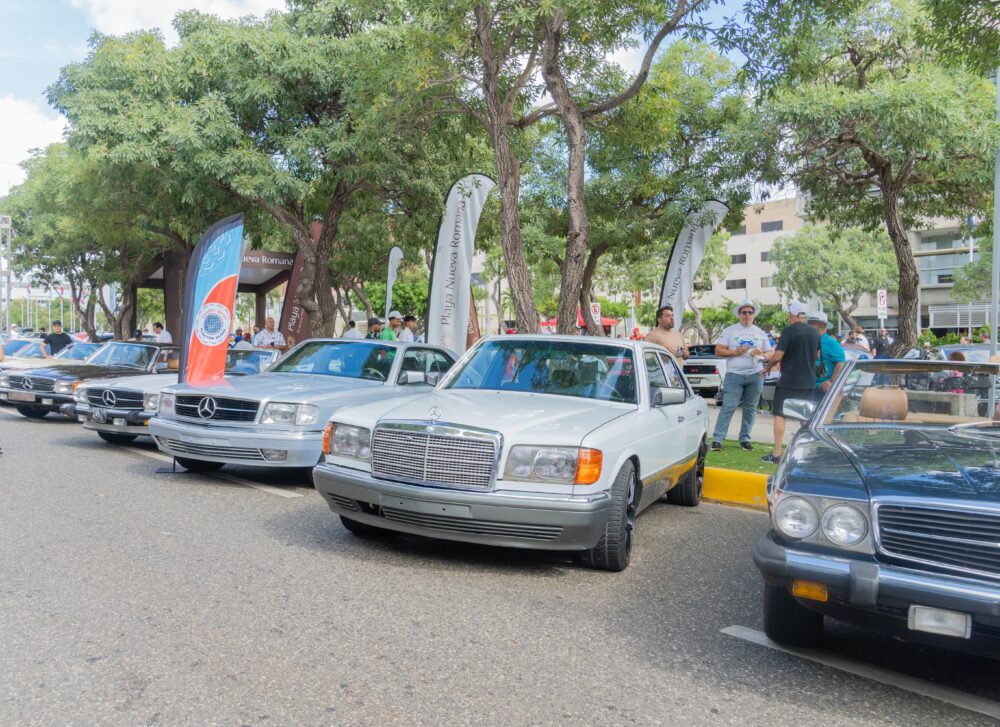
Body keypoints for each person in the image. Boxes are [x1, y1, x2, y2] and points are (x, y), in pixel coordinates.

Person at [760, 302, 821, 463]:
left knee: (780, 414)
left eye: (789, 314)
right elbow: (816, 356)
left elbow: (778, 356)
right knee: (806, 417)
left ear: (792, 315)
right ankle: (811, 452)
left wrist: (767, 368)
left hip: (788, 380)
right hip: (808, 380)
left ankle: (777, 453)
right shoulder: (814, 333)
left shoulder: (788, 331)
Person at [710, 300, 772, 452]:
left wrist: (763, 357)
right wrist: (735, 352)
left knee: (750, 408)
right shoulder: (730, 330)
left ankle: (745, 439)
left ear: (754, 315)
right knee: (728, 407)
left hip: (755, 374)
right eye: (744, 312)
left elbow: (770, 352)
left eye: (750, 312)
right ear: (739, 314)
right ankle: (718, 439)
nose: (747, 315)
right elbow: (718, 350)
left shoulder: (760, 332)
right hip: (734, 375)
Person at [809, 312, 845, 401]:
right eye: (810, 323)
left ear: (823, 326)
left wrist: (831, 381)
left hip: (821, 389)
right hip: (806, 387)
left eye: (813, 324)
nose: (810, 326)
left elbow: (841, 362)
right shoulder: (807, 339)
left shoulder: (831, 342)